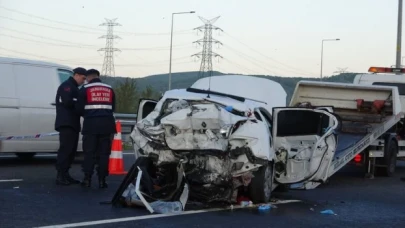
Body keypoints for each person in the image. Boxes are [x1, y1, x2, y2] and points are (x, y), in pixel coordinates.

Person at [75, 69, 116, 188]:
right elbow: (112, 108)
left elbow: (79, 109)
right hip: (107, 125)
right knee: (104, 154)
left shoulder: (85, 89)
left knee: (89, 153)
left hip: (91, 125)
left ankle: (87, 179)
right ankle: (102, 180)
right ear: (98, 76)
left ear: (88, 78)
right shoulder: (109, 88)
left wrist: (89, 115)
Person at [54, 67, 87, 185]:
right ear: (76, 75)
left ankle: (66, 174)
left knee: (72, 151)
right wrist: (78, 102)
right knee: (65, 150)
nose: (84, 81)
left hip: (72, 123)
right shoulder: (67, 86)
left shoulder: (74, 88)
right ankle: (60, 175)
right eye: (83, 78)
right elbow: (68, 102)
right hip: (66, 123)